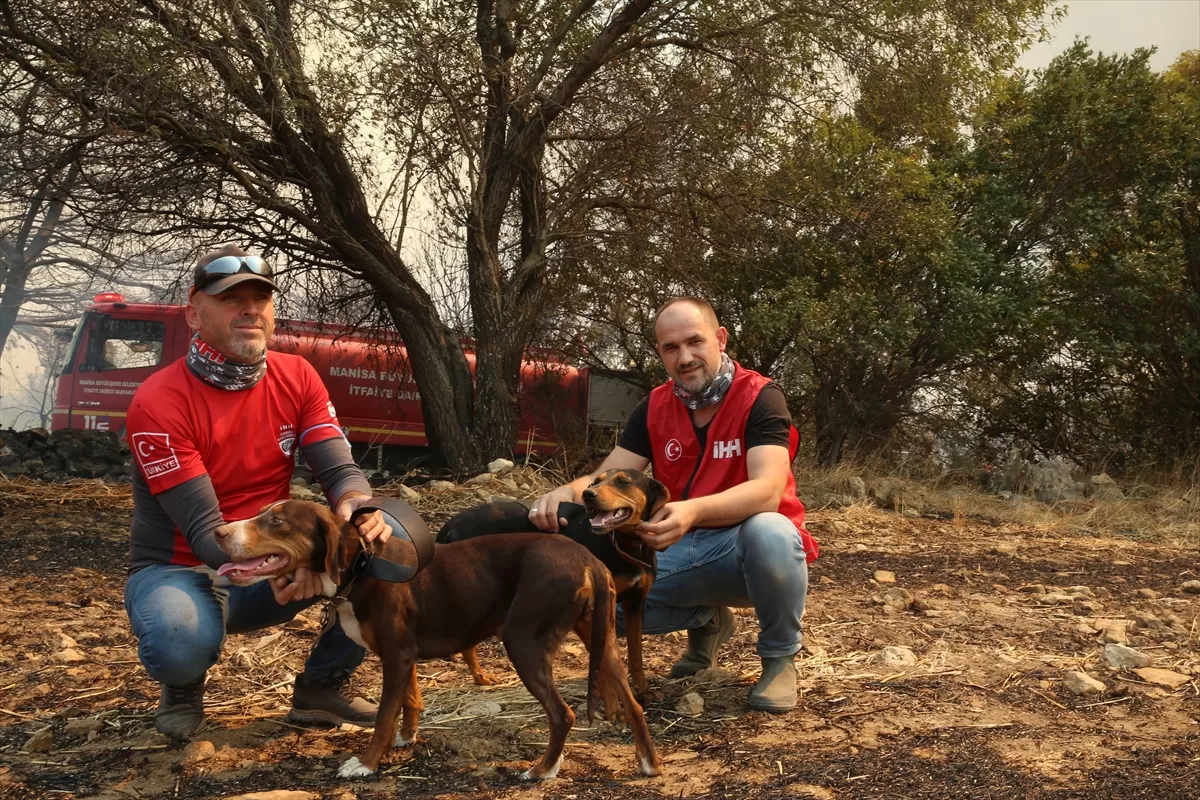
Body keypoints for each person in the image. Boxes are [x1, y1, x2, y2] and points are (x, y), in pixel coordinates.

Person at [122, 244, 392, 738]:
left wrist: (357, 505)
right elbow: (205, 531)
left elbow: (340, 471)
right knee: (179, 638)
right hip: (182, 567)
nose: (250, 310)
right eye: (231, 299)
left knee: (385, 541)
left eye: (260, 299)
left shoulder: (298, 375)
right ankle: (183, 684)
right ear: (193, 313)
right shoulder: (158, 401)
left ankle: (321, 686)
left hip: (271, 559)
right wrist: (290, 561)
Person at [529, 297, 818, 712]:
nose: (684, 358)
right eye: (671, 348)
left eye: (694, 342)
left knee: (771, 531)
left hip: (743, 552)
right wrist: (563, 493)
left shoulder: (760, 397)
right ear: (660, 353)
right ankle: (708, 620)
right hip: (677, 548)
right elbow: (605, 478)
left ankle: (779, 659)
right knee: (598, 603)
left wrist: (693, 510)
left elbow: (767, 490)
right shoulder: (655, 406)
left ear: (720, 339)